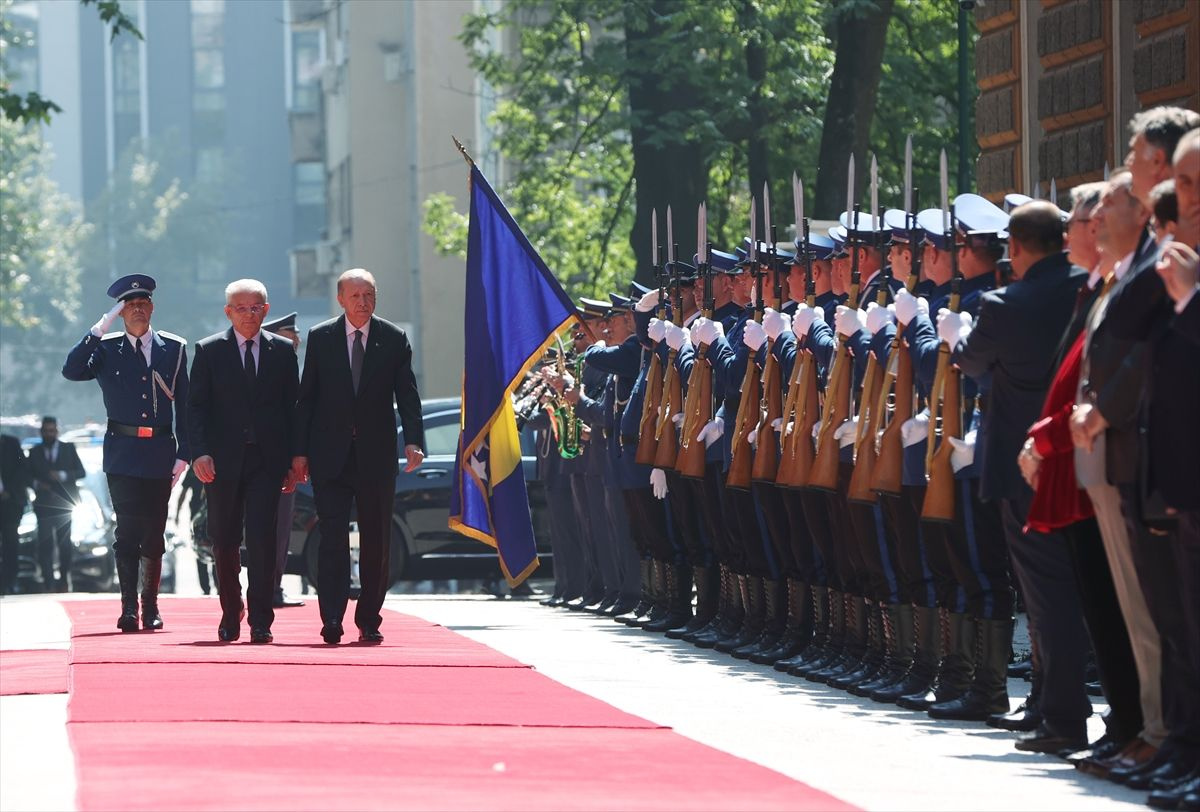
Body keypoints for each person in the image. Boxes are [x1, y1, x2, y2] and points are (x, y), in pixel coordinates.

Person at [292, 269, 425, 645]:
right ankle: (332, 617)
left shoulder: (393, 339)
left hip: (376, 456)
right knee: (332, 538)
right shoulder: (322, 338)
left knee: (376, 540)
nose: (363, 303)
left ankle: (369, 618)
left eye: (370, 295)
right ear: (341, 300)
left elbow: (408, 396)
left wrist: (413, 440)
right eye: (356, 297)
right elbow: (307, 399)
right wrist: (299, 452)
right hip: (330, 456)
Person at [62, 274, 190, 632]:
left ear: (151, 307)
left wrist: (186, 452)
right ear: (121, 313)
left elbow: (187, 404)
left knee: (154, 532)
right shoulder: (106, 348)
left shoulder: (174, 348)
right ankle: (129, 607)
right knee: (127, 532)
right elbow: (71, 370)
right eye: (129, 306)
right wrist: (99, 328)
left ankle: (150, 605)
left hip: (161, 451)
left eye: (142, 303)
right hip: (122, 452)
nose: (137, 310)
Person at [188, 280, 299, 643]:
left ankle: (261, 618)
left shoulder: (282, 352)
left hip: (267, 462)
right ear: (228, 312)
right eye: (241, 308)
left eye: (255, 308)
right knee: (224, 540)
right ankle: (231, 611)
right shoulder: (208, 351)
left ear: (265, 311)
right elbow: (196, 409)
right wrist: (199, 451)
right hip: (222, 462)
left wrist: (294, 459)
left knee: (263, 539)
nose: (248, 315)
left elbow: (292, 409)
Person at [262, 310, 306, 609]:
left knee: (281, 529)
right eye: (290, 336)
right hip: (263, 458)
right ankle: (264, 588)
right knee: (263, 528)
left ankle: (274, 587)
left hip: (289, 462)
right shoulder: (263, 369)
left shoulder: (296, 370)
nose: (297, 341)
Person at [27, 416, 85, 591]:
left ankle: (63, 579)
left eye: (52, 431)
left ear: (57, 431)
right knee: (45, 543)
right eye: (46, 431)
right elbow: (27, 476)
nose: (49, 434)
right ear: (41, 432)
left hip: (65, 504)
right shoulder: (35, 451)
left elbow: (81, 472)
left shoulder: (68, 449)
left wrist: (63, 475)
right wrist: (38, 484)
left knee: (65, 543)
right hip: (44, 505)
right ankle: (48, 581)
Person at [0, 433, 32, 595]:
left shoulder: (11, 443)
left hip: (11, 503)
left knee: (10, 542)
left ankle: (10, 581)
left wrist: (9, 492)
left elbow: (22, 470)